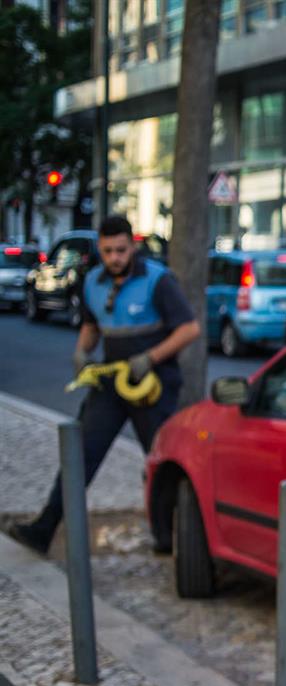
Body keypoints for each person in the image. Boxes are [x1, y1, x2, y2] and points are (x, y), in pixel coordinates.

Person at [10, 216, 200, 554]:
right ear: (100, 247)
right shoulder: (92, 283)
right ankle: (44, 529)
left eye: (121, 250)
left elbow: (189, 329)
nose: (115, 257)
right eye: (108, 250)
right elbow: (91, 325)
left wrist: (151, 358)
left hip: (152, 386)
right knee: (80, 455)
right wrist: (82, 353)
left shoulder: (158, 281)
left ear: (133, 246)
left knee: (159, 461)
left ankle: (166, 536)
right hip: (111, 384)